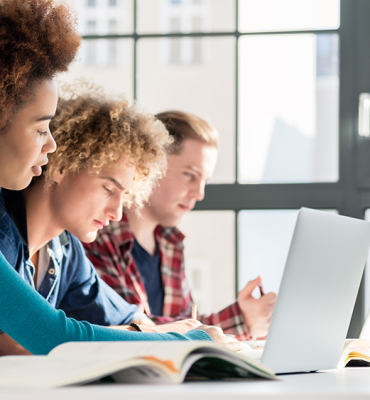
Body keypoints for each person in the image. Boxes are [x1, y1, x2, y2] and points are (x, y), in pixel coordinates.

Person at [0, 0, 245, 356]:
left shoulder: (65, 254)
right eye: (40, 129)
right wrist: (185, 341)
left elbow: (134, 319)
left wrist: (158, 332)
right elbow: (43, 337)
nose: (52, 145)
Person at [85, 111, 277, 340]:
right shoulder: (95, 235)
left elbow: (184, 324)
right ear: (150, 165)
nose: (200, 193)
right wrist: (240, 322)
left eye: (204, 180)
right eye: (190, 175)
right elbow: (131, 330)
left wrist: (244, 320)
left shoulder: (170, 243)